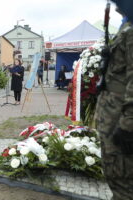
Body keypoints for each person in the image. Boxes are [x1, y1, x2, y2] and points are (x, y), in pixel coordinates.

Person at [95, 11, 133, 199]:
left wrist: (128, 124)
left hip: (122, 122)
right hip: (113, 117)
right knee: (117, 180)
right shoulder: (125, 25)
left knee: (123, 183)